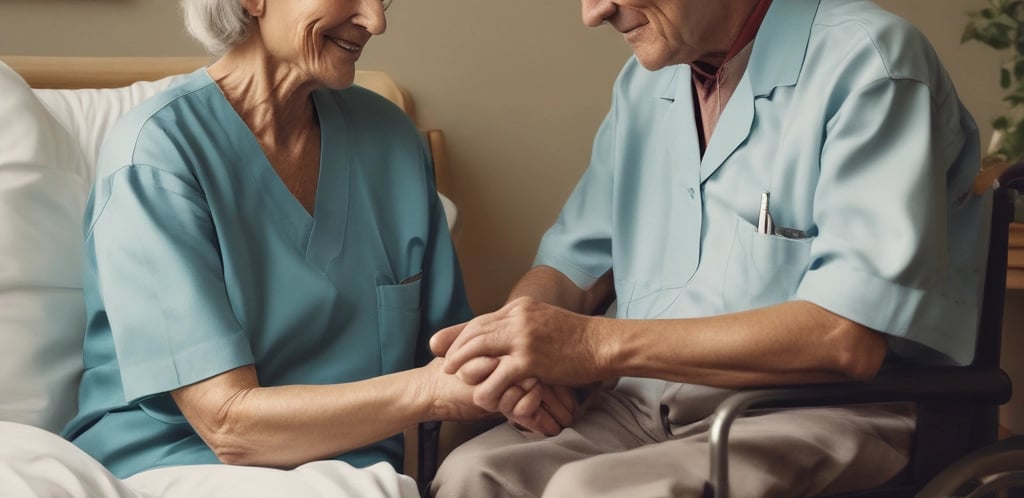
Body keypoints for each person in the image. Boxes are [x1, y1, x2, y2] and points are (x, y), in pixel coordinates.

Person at [429, 0, 987, 496]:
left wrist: (594, 346)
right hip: (642, 408)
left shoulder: (872, 62)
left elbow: (847, 339)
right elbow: (571, 267)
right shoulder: (644, 85)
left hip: (818, 412)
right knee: (473, 474)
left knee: (591, 490)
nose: (593, 12)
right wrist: (518, 344)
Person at [52, 0, 509, 495]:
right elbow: (227, 424)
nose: (376, 21)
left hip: (360, 480)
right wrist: (429, 392)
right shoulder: (156, 156)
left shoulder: (392, 140)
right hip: (174, 467)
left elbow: (458, 366)